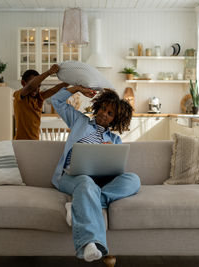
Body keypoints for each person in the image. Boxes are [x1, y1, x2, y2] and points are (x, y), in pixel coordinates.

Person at [50, 86, 141, 262]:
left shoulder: (114, 140)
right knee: (85, 182)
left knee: (133, 180)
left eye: (110, 113)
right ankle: (91, 243)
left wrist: (111, 152)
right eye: (103, 109)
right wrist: (76, 88)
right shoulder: (79, 122)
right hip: (72, 177)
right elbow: (56, 101)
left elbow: (116, 169)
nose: (104, 114)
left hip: (99, 182)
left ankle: (79, 204)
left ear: (116, 119)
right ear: (97, 106)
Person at [13, 65, 68, 140]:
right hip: (21, 142)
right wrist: (48, 72)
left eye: (39, 86)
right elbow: (30, 86)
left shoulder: (39, 97)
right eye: (35, 85)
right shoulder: (19, 95)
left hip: (35, 141)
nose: (36, 89)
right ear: (23, 83)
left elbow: (53, 90)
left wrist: (68, 82)